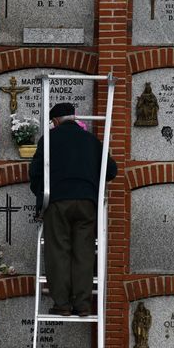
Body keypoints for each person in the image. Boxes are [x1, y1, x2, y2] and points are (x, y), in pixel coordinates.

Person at [29, 102, 117, 317]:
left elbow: (36, 172)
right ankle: (83, 304)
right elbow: (111, 170)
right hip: (87, 202)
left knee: (58, 251)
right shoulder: (91, 140)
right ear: (73, 118)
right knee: (84, 253)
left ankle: (62, 303)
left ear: (56, 120)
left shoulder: (49, 139)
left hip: (58, 201)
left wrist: (40, 197)